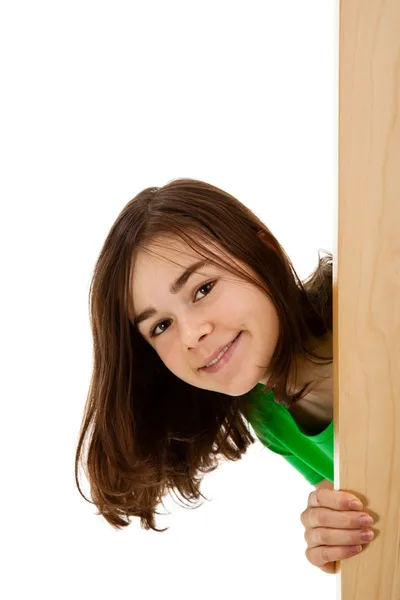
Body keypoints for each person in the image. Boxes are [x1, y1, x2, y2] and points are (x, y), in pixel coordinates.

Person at [75, 178, 375, 574]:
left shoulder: (372, 311)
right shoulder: (267, 415)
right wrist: (336, 528)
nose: (190, 334)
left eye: (203, 289)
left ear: (262, 251)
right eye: (161, 326)